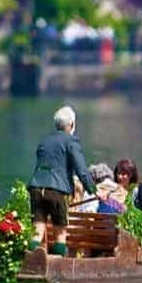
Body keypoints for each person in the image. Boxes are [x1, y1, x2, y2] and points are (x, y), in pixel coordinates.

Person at [28, 105, 96, 256]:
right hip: (57, 191)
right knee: (60, 233)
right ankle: (57, 267)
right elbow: (82, 171)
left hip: (36, 188)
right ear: (71, 124)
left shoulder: (44, 140)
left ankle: (29, 263)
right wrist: (93, 190)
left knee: (37, 230)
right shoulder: (71, 141)